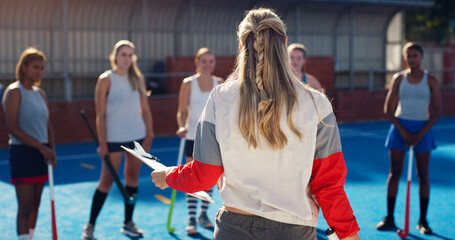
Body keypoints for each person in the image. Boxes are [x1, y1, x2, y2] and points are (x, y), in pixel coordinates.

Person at [152, 8, 361, 240]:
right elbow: (329, 186)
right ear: (284, 42)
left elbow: (205, 175)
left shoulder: (220, 97)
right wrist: (349, 235)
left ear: (241, 46)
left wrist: (168, 175)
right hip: (294, 230)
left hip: (234, 228)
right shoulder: (317, 103)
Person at [81, 40, 154, 240]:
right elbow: (101, 114)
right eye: (123, 54)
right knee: (106, 181)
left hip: (137, 135)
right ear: (115, 56)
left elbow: (145, 109)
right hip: (114, 138)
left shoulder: (137, 78)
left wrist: (150, 133)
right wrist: (102, 142)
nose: (127, 58)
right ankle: (90, 225)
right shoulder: (106, 79)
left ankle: (128, 222)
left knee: (132, 179)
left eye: (130, 55)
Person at [377, 42, 442, 235]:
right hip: (400, 128)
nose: (412, 59)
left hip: (423, 129)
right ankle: (389, 218)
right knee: (394, 172)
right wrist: (404, 132)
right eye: (409, 56)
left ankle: (423, 221)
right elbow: (388, 110)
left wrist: (420, 134)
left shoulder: (430, 79)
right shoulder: (399, 78)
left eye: (415, 56)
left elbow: (438, 111)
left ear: (422, 57)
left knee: (423, 175)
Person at [2, 48, 57, 240]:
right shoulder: (14, 92)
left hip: (42, 154)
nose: (39, 72)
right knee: (24, 206)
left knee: (35, 204)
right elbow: (13, 129)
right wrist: (41, 147)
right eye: (35, 67)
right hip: (23, 153)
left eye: (42, 68)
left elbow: (48, 125)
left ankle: (30, 237)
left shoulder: (40, 93)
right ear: (24, 67)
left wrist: (52, 151)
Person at [176, 47, 222, 235]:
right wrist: (181, 125)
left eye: (210, 61)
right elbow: (181, 110)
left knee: (209, 179)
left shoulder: (218, 83)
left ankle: (203, 214)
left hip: (212, 136)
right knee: (193, 177)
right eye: (203, 61)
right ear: (197, 63)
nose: (207, 65)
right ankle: (191, 218)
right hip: (192, 135)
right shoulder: (188, 83)